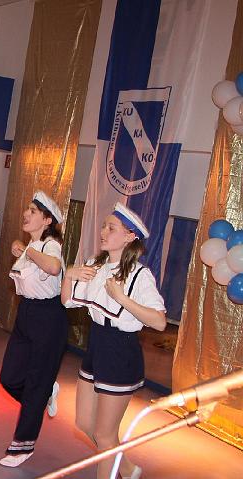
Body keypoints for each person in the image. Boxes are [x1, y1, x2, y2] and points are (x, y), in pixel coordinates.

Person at [61, 203, 166, 479]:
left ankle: (119, 470)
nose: (103, 232)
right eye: (103, 226)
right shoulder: (96, 265)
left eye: (111, 228)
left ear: (130, 236)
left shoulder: (140, 275)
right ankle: (128, 468)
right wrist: (69, 274)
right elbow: (67, 301)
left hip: (121, 350)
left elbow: (159, 321)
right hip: (96, 345)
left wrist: (122, 298)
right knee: (84, 422)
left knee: (105, 435)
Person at [0, 191, 68, 467]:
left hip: (48, 318)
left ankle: (22, 447)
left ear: (47, 220)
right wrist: (24, 247)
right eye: (27, 209)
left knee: (36, 383)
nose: (26, 214)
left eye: (33, 211)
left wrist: (27, 250)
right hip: (26, 313)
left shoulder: (51, 245)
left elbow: (53, 267)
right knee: (9, 377)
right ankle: (44, 393)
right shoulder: (32, 244)